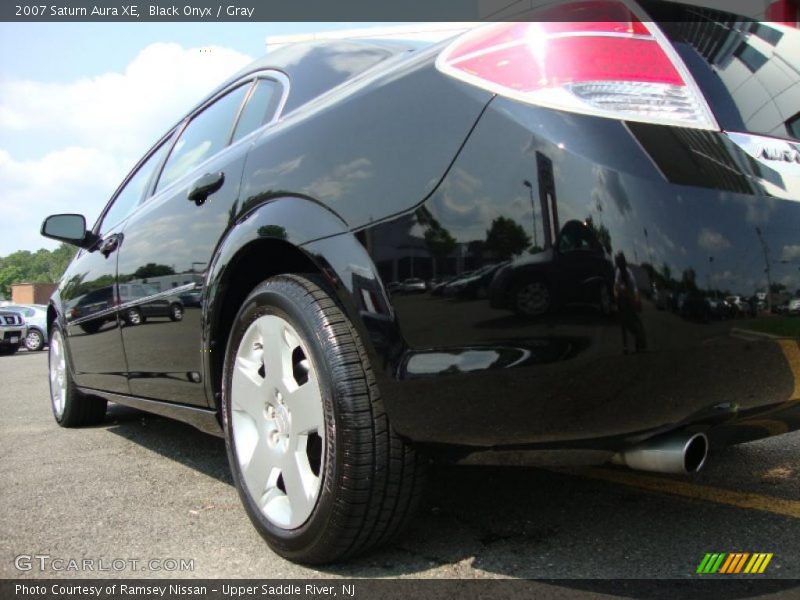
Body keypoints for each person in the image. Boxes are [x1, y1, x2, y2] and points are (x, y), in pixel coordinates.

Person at [614, 252, 646, 354]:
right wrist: (616, 296)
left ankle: (638, 343)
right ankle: (625, 346)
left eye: (621, 262)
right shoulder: (618, 272)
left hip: (630, 299)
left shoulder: (629, 273)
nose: (620, 265)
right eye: (619, 263)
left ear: (624, 262)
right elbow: (616, 285)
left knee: (634, 322)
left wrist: (636, 299)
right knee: (623, 323)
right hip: (622, 299)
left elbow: (635, 287)